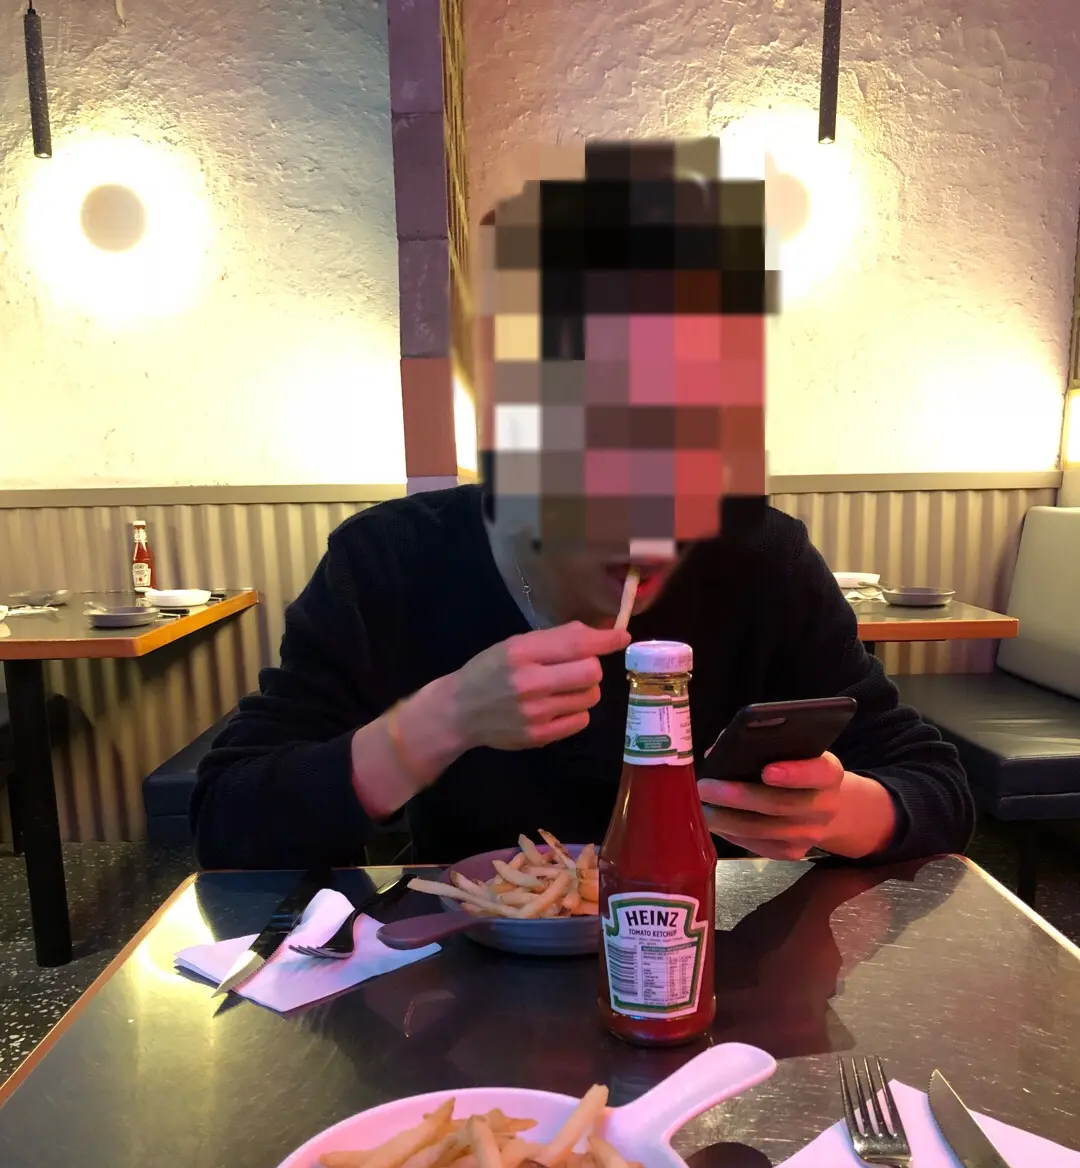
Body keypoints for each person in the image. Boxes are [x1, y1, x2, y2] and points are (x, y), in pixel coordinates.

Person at [192, 140, 974, 869]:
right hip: (468, 958)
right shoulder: (391, 562)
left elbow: (935, 785)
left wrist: (840, 811)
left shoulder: (761, 560)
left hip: (712, 955)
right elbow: (228, 820)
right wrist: (441, 720)